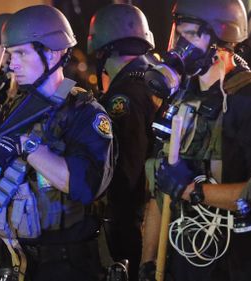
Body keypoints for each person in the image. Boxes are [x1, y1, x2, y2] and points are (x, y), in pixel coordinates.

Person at [0, 5, 114, 281]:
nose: (11, 64)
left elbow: (86, 186)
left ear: (53, 52)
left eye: (21, 53)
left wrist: (27, 148)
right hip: (13, 258)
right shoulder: (12, 110)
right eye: (10, 54)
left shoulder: (84, 112)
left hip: (65, 262)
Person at [139, 1, 251, 280]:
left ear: (220, 38)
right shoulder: (182, 97)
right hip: (182, 262)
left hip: (233, 265)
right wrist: (148, 262)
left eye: (191, 35)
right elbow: (161, 189)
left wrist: (193, 190)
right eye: (177, 34)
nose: (181, 44)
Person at [87, 4, 157, 281]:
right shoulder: (155, 78)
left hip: (134, 219)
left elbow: (127, 168)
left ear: (104, 50)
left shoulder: (123, 95)